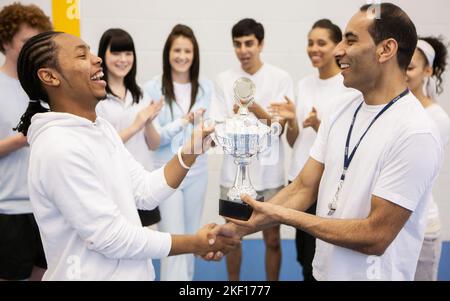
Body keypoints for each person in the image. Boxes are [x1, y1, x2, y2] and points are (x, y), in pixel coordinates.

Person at [209, 3, 443, 281]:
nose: (338, 50)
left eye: (351, 40)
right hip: (325, 273)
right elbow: (304, 187)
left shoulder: (416, 132)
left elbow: (375, 236)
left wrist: (283, 215)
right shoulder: (341, 108)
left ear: (386, 50)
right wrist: (239, 230)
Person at [14, 31, 239, 281]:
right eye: (81, 55)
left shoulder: (100, 129)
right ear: (50, 76)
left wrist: (192, 149)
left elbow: (144, 191)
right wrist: (194, 244)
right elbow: (112, 238)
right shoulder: (58, 147)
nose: (96, 59)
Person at [269, 19, 356, 281]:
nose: (314, 48)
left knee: (318, 260)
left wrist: (319, 125)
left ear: (337, 46)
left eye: (321, 43)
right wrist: (292, 121)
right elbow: (295, 141)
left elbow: (344, 144)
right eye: (310, 43)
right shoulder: (304, 84)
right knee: (302, 256)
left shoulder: (347, 87)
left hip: (323, 185)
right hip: (298, 177)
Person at [210, 18, 294, 281]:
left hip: (270, 176)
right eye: (237, 44)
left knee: (272, 240)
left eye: (249, 43)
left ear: (261, 44)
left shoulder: (280, 78)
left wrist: (253, 108)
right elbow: (217, 127)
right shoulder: (223, 80)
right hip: (232, 176)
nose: (243, 50)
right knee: (231, 237)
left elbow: (278, 128)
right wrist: (242, 118)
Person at [144, 24, 213, 281]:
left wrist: (210, 137)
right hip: (166, 173)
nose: (182, 56)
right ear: (167, 53)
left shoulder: (206, 87)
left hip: (198, 172)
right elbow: (156, 139)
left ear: (194, 55)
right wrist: (185, 121)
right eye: (177, 50)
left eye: (187, 51)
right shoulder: (152, 88)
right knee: (173, 241)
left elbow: (209, 128)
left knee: (193, 240)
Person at [0, 2, 52, 281]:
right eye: (26, 41)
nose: (34, 47)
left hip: (45, 205)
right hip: (8, 208)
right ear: (6, 42)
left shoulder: (43, 86)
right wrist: (21, 139)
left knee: (43, 274)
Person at [96, 28, 163, 229]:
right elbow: (101, 144)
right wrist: (136, 124)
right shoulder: (96, 95)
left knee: (145, 250)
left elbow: (154, 144)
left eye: (128, 53)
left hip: (142, 184)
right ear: (103, 55)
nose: (123, 59)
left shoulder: (141, 94)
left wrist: (149, 121)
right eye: (116, 53)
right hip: (113, 186)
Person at [406, 36, 450, 281]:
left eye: (410, 67)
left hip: (421, 228)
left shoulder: (437, 119)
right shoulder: (393, 110)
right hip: (392, 230)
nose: (403, 73)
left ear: (428, 71)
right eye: (400, 65)